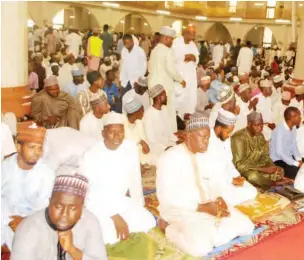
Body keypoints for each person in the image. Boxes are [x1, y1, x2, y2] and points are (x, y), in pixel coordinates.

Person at [156, 117, 254, 257]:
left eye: (208, 137)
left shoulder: (205, 155)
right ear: (189, 136)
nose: (207, 142)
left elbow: (213, 182)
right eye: (203, 137)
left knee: (247, 226)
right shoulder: (170, 158)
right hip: (182, 210)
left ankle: (207, 232)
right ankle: (168, 229)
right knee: (201, 249)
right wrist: (201, 207)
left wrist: (218, 198)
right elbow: (167, 197)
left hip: (208, 207)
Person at [82, 112, 156, 245]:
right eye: (112, 132)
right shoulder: (92, 155)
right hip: (99, 204)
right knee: (107, 235)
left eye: (120, 131)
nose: (117, 136)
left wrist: (139, 206)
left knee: (147, 221)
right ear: (103, 133)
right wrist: (115, 216)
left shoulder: (130, 147)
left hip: (121, 200)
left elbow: (135, 181)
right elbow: (90, 193)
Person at [10, 174, 107, 260]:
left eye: (72, 208)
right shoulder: (29, 227)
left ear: (82, 208)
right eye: (58, 206)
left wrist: (73, 251)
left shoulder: (90, 221)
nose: (64, 213)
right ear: (49, 202)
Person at [1, 125, 55, 250]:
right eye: (32, 147)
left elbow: (47, 207)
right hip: (6, 222)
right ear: (19, 147)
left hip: (34, 223)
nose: (37, 153)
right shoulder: (4, 169)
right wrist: (8, 221)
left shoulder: (46, 173)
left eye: (40, 148)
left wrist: (26, 222)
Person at [201, 109, 258, 205]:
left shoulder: (225, 138)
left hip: (227, 178)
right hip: (214, 182)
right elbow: (209, 171)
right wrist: (231, 180)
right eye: (228, 131)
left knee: (252, 190)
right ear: (219, 128)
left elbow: (228, 162)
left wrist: (236, 176)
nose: (229, 135)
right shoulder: (208, 141)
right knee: (229, 197)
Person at [231, 112, 284, 190]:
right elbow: (239, 166)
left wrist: (272, 167)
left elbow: (265, 156)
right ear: (249, 124)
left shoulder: (260, 136)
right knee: (253, 177)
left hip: (259, 167)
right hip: (245, 171)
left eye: (262, 125)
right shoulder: (238, 138)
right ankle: (273, 183)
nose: (260, 128)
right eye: (257, 125)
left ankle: (265, 182)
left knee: (280, 170)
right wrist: (262, 169)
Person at [148, 26, 186, 135]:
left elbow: (149, 68)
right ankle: (170, 135)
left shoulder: (154, 50)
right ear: (166, 38)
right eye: (171, 39)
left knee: (156, 110)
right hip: (164, 87)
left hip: (153, 85)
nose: (172, 42)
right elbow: (171, 70)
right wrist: (181, 80)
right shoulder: (167, 51)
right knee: (168, 111)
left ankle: (157, 133)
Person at [143, 84, 179, 166]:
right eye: (165, 95)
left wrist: (176, 140)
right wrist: (165, 148)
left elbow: (169, 133)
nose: (166, 97)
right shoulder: (149, 114)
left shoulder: (164, 110)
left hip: (169, 145)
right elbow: (151, 140)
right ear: (159, 98)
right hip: (157, 150)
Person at [172, 24, 200, 119]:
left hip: (190, 76)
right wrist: (184, 57)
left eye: (194, 34)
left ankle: (186, 116)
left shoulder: (193, 45)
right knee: (178, 98)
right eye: (191, 33)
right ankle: (176, 118)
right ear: (185, 33)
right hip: (179, 76)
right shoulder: (176, 42)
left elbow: (197, 58)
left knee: (190, 97)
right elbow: (172, 57)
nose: (192, 36)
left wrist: (194, 58)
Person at [270, 107, 303, 179]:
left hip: (289, 157)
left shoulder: (293, 128)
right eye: (298, 116)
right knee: (299, 172)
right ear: (291, 118)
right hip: (278, 160)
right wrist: (296, 163)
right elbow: (279, 153)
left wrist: (299, 159)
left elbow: (294, 145)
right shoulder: (279, 130)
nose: (300, 118)